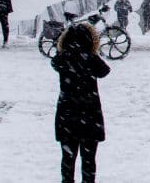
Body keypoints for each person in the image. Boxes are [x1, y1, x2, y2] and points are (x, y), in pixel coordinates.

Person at [52, 23, 111, 183]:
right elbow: (104, 71)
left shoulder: (63, 58)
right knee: (89, 161)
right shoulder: (91, 59)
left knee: (67, 160)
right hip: (89, 116)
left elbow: (55, 62)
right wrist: (91, 52)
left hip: (67, 116)